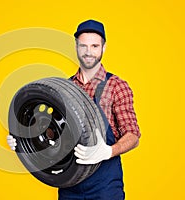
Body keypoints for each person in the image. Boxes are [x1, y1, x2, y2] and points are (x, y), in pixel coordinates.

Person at [7, 19, 141, 200]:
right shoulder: (63, 89)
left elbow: (133, 136)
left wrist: (108, 151)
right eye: (83, 46)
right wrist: (23, 138)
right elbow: (52, 134)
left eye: (94, 46)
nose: (88, 52)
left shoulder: (117, 86)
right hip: (69, 185)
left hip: (105, 187)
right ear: (76, 46)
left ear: (104, 47)